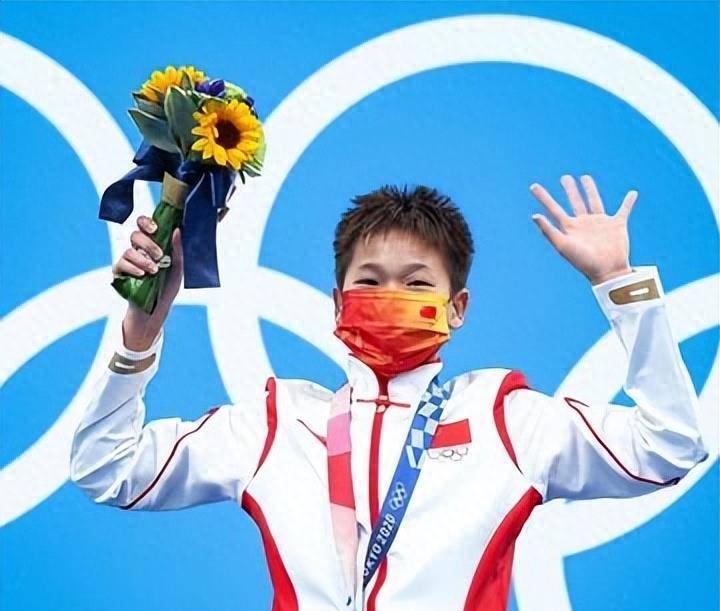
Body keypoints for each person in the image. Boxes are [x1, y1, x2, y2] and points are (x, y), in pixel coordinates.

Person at [69, 174, 709, 611]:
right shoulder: (278, 422)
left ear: (457, 308)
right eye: (370, 282)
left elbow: (672, 446)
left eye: (417, 284)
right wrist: (141, 330)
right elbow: (106, 468)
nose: (390, 297)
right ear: (337, 302)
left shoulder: (504, 420)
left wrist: (622, 286)